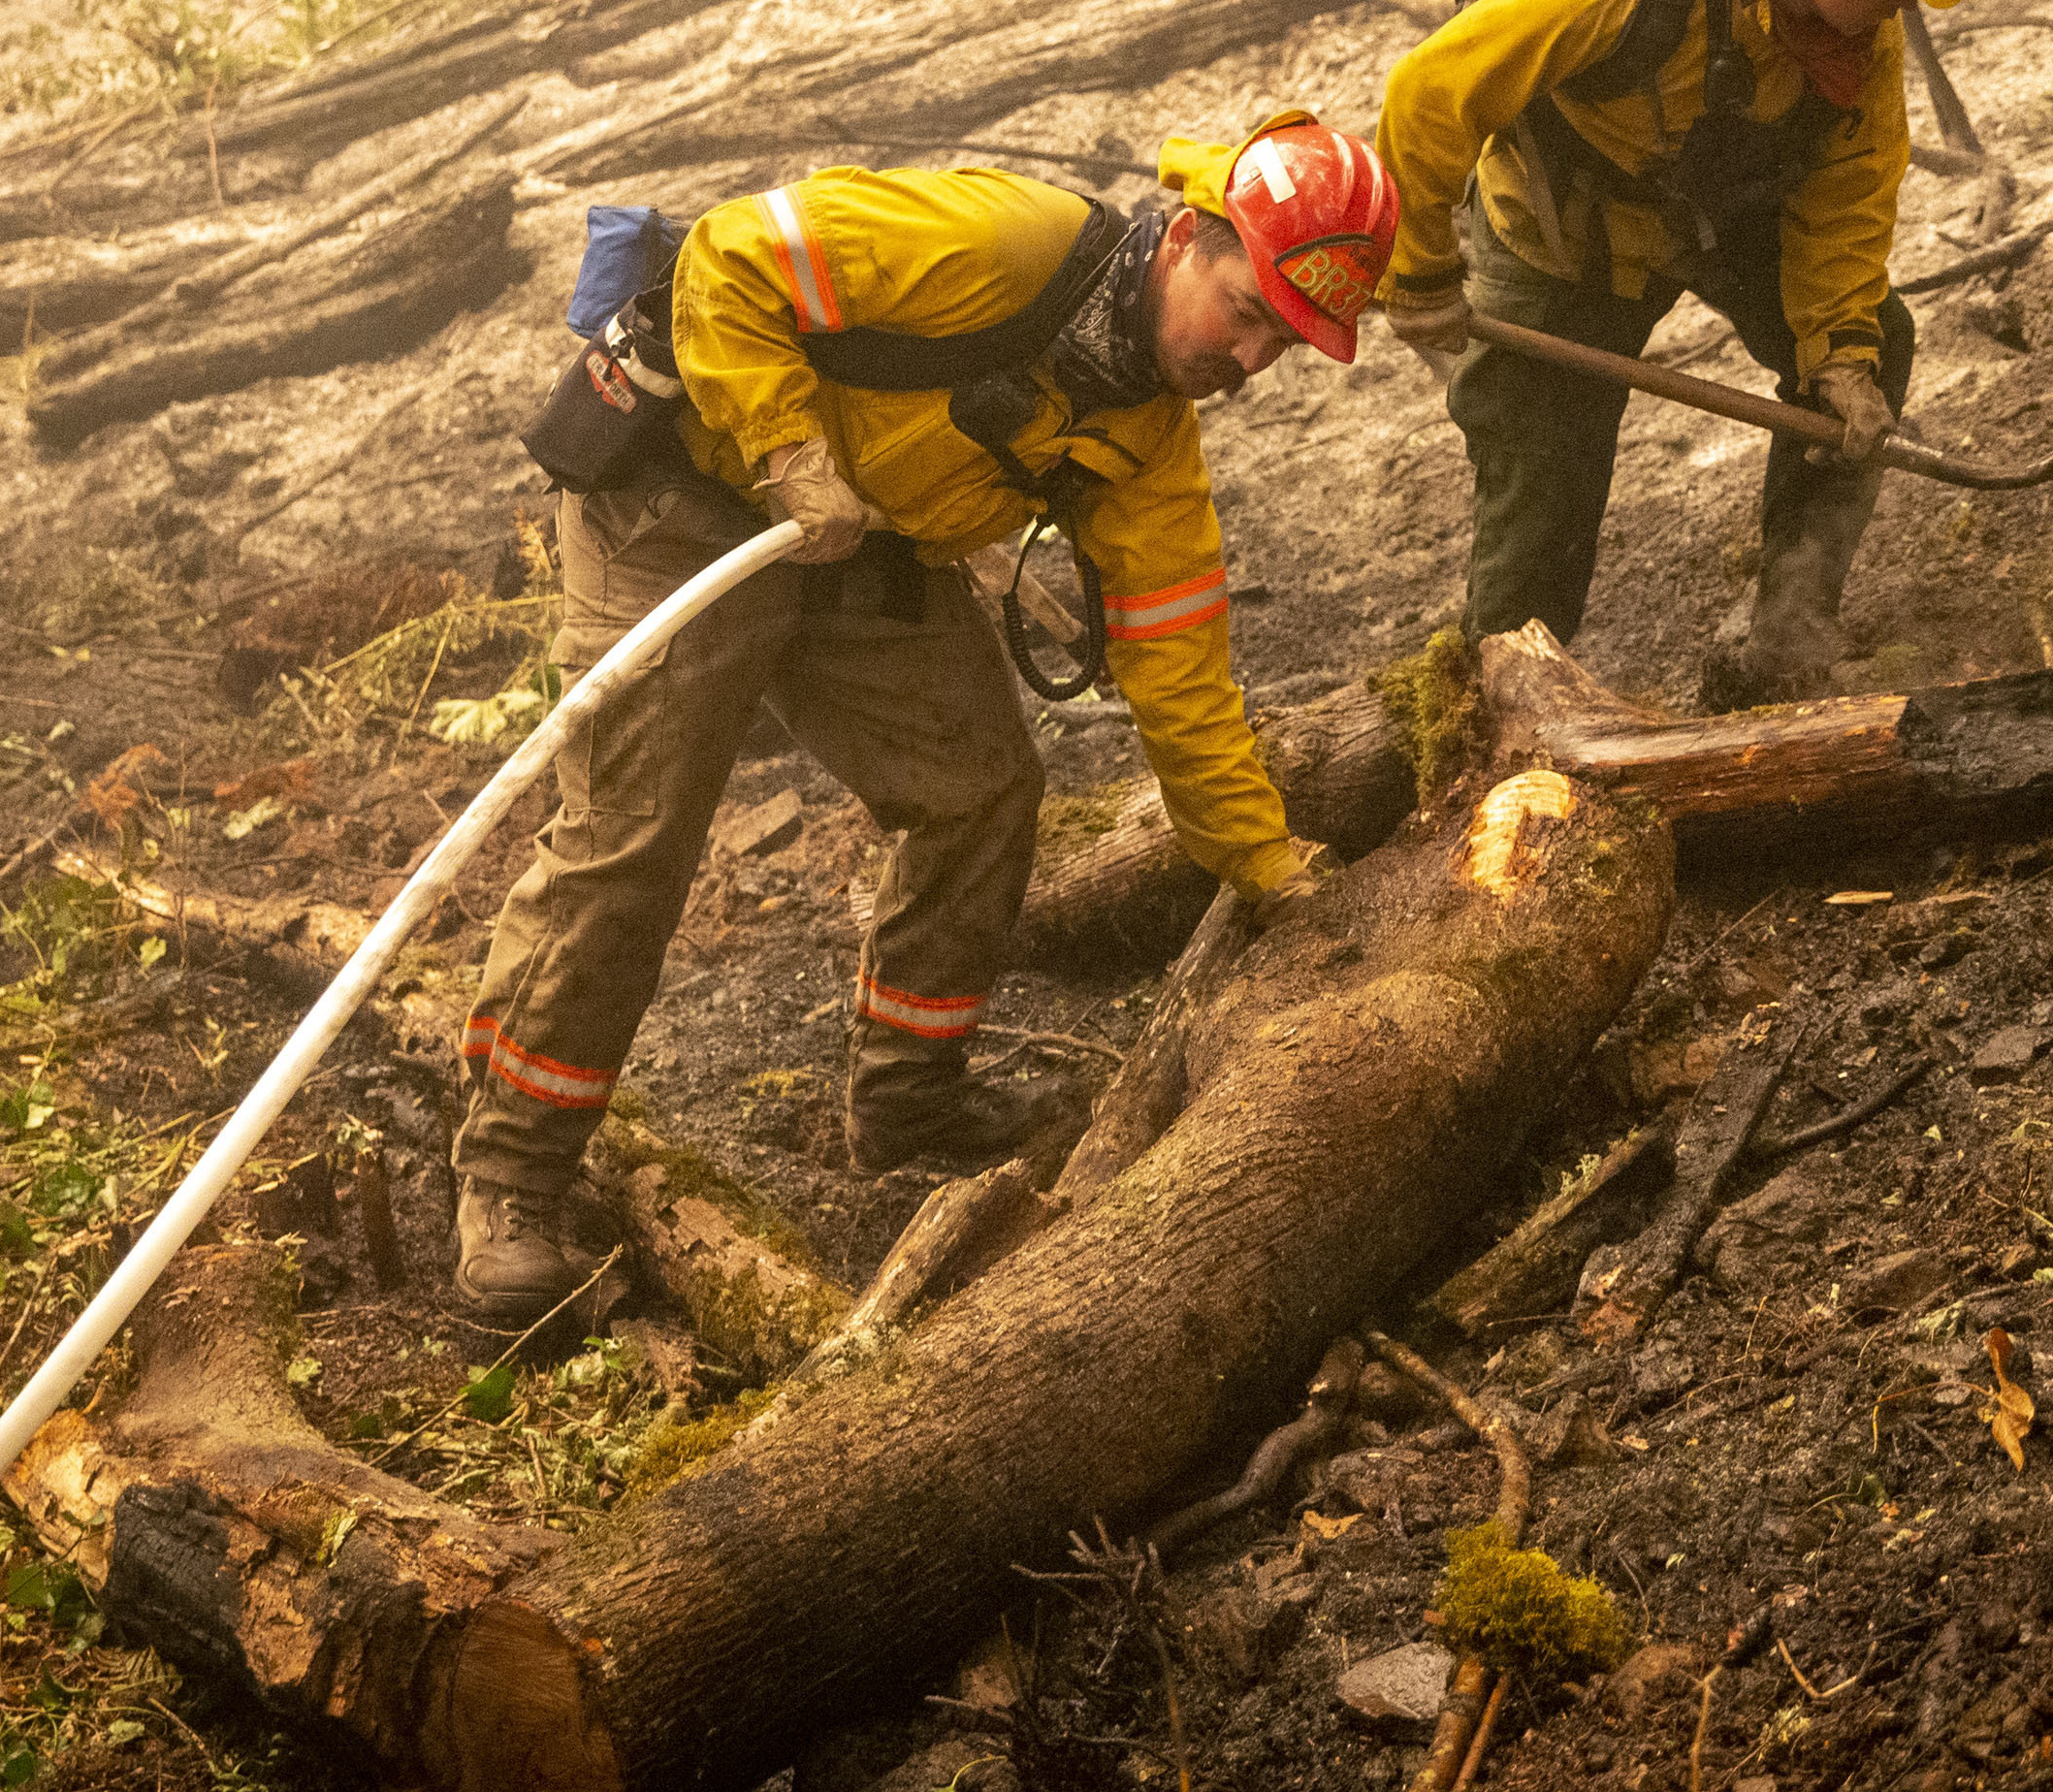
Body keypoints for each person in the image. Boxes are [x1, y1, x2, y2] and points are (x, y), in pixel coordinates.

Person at [449, 117, 1399, 1322]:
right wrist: (789, 446)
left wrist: (1269, 863)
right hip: (681, 500)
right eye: (1248, 310)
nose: (1254, 360)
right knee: (632, 839)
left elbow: (1188, 688)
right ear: (1189, 238)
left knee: (981, 788)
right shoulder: (1006, 244)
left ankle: (907, 1097)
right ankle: (512, 1179)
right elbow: (732, 258)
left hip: (864, 543)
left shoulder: (1147, 447)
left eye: (1285, 343)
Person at [1371, 0, 1998, 705]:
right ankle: (1492, 716)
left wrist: (1839, 350)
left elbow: (1849, 193)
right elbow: (1427, 97)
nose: (1909, 5)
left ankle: (1786, 642)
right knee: (1543, 499)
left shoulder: (1851, 34)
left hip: (1712, 217)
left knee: (1874, 345)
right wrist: (1417, 271)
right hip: (1563, 243)